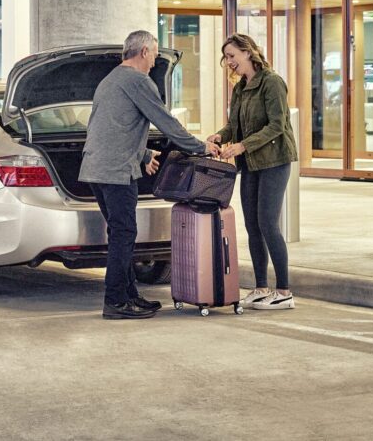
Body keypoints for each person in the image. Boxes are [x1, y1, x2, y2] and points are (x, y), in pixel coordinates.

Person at [80, 30, 220, 320]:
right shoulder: (137, 80)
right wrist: (200, 147)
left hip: (96, 168)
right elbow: (165, 121)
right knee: (124, 233)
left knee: (120, 232)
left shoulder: (110, 80)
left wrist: (143, 155)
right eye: (154, 55)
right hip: (116, 171)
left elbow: (109, 128)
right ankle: (116, 300)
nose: (155, 62)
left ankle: (129, 295)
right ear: (143, 51)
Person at [208, 34, 298, 310]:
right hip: (250, 164)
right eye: (226, 57)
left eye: (232, 55)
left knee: (268, 223)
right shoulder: (240, 89)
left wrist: (242, 147)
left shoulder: (271, 82)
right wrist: (219, 137)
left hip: (274, 160)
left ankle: (283, 291)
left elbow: (277, 126)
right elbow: (233, 126)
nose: (229, 62)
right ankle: (260, 287)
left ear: (248, 52)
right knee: (252, 225)